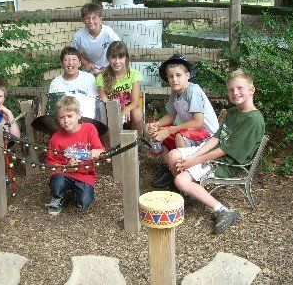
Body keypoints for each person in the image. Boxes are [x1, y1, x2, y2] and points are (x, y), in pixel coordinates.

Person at [168, 69, 265, 234]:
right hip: (216, 152)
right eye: (231, 89)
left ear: (252, 90)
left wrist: (195, 161)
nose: (235, 93)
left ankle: (223, 210)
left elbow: (225, 150)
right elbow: (217, 138)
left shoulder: (253, 120)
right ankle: (191, 193)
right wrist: (194, 156)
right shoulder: (234, 112)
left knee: (181, 181)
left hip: (229, 162)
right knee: (173, 155)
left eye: (240, 88)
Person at [145, 55, 219, 188]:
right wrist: (157, 125)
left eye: (178, 75)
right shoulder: (175, 92)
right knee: (150, 128)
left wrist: (169, 130)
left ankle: (184, 174)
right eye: (170, 76)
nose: (174, 80)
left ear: (187, 76)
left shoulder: (193, 91)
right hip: (191, 131)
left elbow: (198, 123)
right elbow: (171, 115)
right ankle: (172, 167)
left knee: (180, 136)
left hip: (208, 136)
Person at [45, 96, 105, 215]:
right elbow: (51, 162)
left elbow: (100, 149)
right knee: (58, 184)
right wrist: (66, 165)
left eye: (69, 116)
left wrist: (97, 151)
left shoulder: (89, 128)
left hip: (84, 175)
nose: (66, 120)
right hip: (64, 173)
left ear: (78, 115)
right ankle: (58, 196)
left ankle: (78, 193)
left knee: (84, 202)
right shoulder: (56, 138)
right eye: (62, 117)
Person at [96, 41, 143, 135]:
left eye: (120, 57)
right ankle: (112, 146)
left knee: (137, 114)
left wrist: (126, 109)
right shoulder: (101, 77)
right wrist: (114, 111)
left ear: (126, 58)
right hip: (111, 109)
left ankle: (137, 142)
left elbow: (135, 102)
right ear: (108, 58)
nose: (117, 62)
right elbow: (103, 97)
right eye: (113, 57)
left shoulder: (134, 75)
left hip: (129, 110)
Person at [72, 3, 120, 76]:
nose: (91, 21)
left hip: (108, 68)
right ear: (83, 20)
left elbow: (119, 49)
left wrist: (109, 66)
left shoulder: (108, 32)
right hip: (89, 70)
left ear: (100, 19)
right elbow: (73, 52)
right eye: (87, 18)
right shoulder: (78, 36)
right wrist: (86, 63)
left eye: (94, 18)